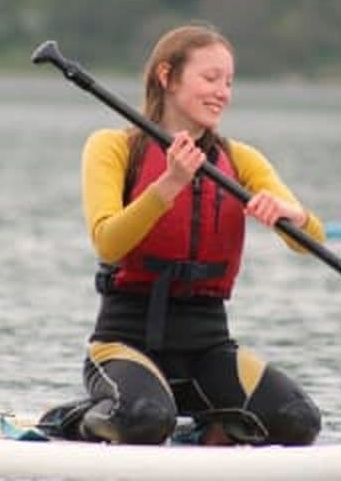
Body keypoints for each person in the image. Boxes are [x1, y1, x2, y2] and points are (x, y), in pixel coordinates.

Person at [39, 23, 325, 446]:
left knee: (298, 420)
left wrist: (294, 216)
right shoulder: (113, 148)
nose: (223, 92)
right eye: (210, 79)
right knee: (145, 420)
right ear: (166, 77)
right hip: (126, 343)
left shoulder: (240, 159)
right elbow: (108, 242)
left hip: (208, 349)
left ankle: (211, 430)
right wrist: (168, 185)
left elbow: (311, 241)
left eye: (229, 82)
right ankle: (73, 420)